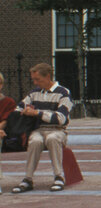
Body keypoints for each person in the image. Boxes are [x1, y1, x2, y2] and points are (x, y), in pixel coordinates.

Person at [9, 63, 73, 194]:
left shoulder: (63, 93)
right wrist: (24, 111)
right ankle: (28, 179)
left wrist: (37, 113)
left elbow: (60, 118)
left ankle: (58, 176)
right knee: (35, 141)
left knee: (52, 138)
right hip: (38, 130)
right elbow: (17, 108)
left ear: (48, 76)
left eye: (38, 79)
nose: (35, 82)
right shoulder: (34, 93)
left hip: (57, 130)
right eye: (33, 79)